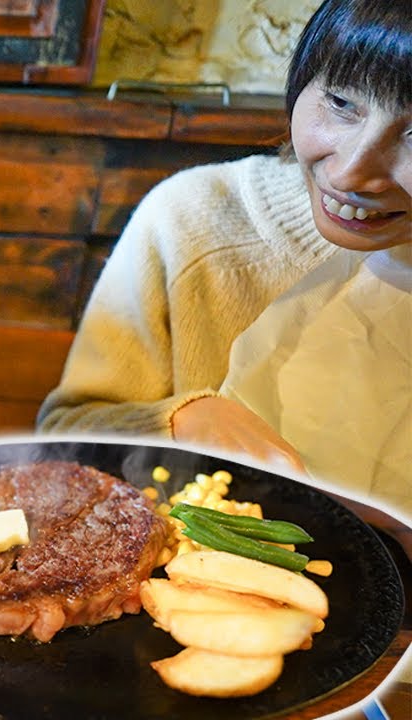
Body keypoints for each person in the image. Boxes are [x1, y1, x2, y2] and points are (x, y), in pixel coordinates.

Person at [39, 0, 410, 514]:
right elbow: (63, 433)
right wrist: (184, 420)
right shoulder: (196, 221)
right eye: (342, 102)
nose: (350, 173)